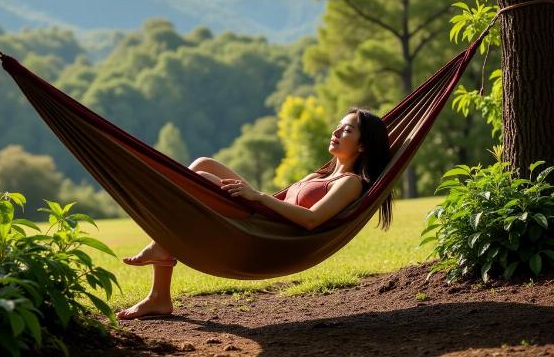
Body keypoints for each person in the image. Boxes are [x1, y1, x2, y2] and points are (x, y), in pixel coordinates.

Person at [116, 107, 393, 319]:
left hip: (273, 234)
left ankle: (162, 256)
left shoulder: (349, 183)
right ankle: (160, 290)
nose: (336, 133)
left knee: (201, 180)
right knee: (204, 164)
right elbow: (277, 201)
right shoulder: (318, 174)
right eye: (338, 127)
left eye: (347, 131)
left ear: (363, 145)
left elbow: (312, 219)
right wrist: (254, 197)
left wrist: (256, 197)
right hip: (263, 216)